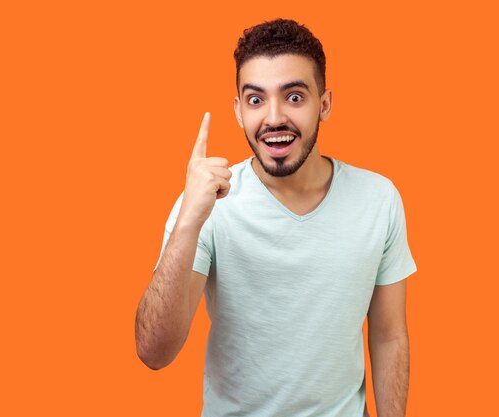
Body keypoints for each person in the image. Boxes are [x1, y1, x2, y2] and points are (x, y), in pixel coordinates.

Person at [135, 18, 417, 417]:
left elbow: (389, 336)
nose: (273, 118)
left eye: (294, 97)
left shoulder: (379, 199)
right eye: (255, 100)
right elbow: (153, 352)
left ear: (325, 104)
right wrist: (188, 221)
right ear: (237, 111)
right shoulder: (205, 205)